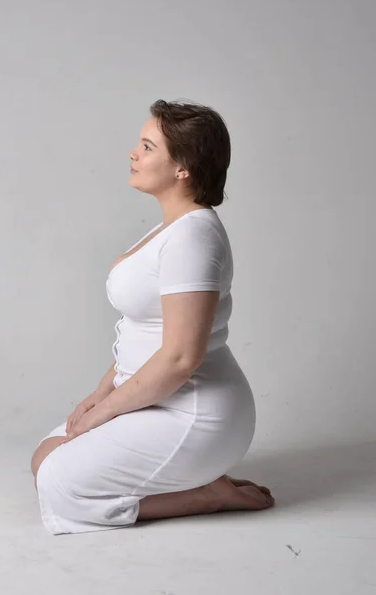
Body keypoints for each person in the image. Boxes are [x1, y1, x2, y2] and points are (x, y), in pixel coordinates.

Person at [30, 99, 274, 535]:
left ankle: (206, 495)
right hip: (156, 395)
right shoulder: (170, 229)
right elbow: (143, 332)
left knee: (58, 483)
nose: (132, 154)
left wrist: (103, 415)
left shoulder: (194, 237)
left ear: (183, 167)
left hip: (195, 413)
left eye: (147, 146)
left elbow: (180, 357)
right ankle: (198, 485)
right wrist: (98, 394)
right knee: (44, 457)